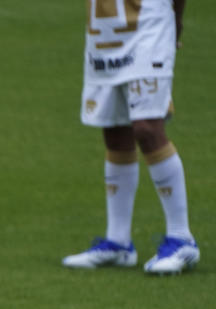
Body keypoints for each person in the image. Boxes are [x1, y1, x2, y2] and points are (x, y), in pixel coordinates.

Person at [63, 0, 199, 274]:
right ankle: (118, 242)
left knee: (147, 128)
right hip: (105, 28)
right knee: (114, 130)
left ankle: (182, 238)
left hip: (149, 25)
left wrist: (177, 19)